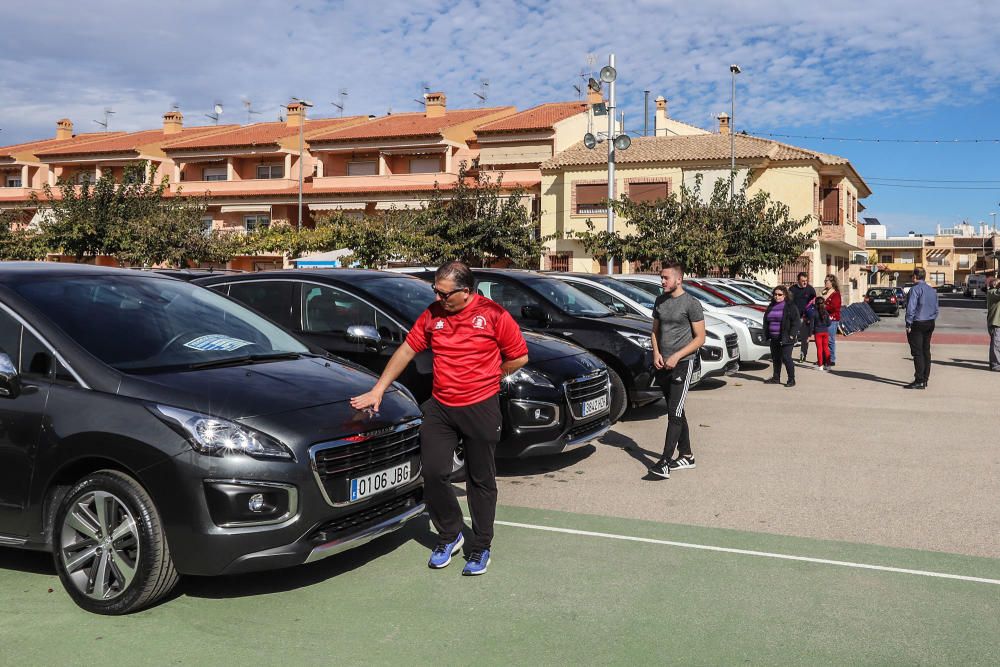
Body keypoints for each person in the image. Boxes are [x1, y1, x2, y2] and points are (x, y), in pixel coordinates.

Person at [350, 261, 528, 575]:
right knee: (432, 473)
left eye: (444, 293)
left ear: (466, 292)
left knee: (480, 480)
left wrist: (491, 376)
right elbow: (407, 350)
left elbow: (519, 356)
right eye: (435, 290)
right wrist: (378, 390)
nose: (438, 298)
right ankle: (450, 532)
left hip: (481, 407)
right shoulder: (433, 315)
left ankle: (481, 545)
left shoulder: (494, 316)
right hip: (442, 407)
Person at [648, 261, 706, 479]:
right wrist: (656, 354)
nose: (662, 281)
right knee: (677, 410)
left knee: (674, 413)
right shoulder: (660, 301)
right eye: (661, 277)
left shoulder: (691, 304)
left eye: (666, 278)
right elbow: (654, 331)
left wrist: (677, 355)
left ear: (678, 279)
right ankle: (687, 455)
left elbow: (700, 338)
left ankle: (664, 462)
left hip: (683, 363)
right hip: (662, 364)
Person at [903, 267, 939, 390]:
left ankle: (919, 380)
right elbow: (936, 308)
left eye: (912, 276)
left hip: (917, 323)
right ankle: (925, 378)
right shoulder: (932, 290)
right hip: (929, 322)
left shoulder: (915, 290)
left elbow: (911, 308)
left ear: (915, 276)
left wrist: (908, 323)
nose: (912, 278)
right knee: (926, 351)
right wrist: (932, 318)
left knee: (917, 352)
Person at [763, 285, 800, 387]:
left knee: (786, 358)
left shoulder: (790, 306)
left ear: (785, 295)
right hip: (774, 337)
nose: (777, 296)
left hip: (786, 337)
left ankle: (791, 380)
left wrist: (792, 335)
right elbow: (766, 321)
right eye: (775, 294)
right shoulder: (771, 306)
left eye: (780, 294)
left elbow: (796, 322)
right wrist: (766, 333)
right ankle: (776, 378)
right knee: (776, 358)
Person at [789, 273, 816, 362]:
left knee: (805, 339)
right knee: (791, 337)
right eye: (802, 281)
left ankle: (802, 356)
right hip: (795, 318)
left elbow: (814, 302)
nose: (805, 283)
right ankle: (788, 356)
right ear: (798, 280)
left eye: (806, 281)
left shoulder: (810, 289)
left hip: (806, 318)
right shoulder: (792, 289)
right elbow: (789, 303)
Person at [820, 275, 842, 367]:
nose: (825, 282)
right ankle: (824, 358)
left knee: (830, 340)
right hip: (824, 319)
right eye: (825, 281)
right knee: (823, 340)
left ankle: (831, 359)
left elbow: (835, 307)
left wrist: (823, 306)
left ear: (832, 283)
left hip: (832, 319)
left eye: (827, 281)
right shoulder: (824, 292)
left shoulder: (835, 294)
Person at [810, 296, 833, 370]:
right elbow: (829, 323)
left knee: (819, 349)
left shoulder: (814, 313)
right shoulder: (826, 312)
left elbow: (812, 324)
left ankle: (820, 365)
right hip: (825, 332)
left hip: (818, 332)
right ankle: (828, 365)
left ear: (816, 304)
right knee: (826, 348)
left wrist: (811, 332)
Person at [987, 276, 1000, 372]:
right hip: (995, 323)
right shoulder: (992, 293)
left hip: (997, 322)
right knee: (996, 344)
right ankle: (995, 364)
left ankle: (995, 363)